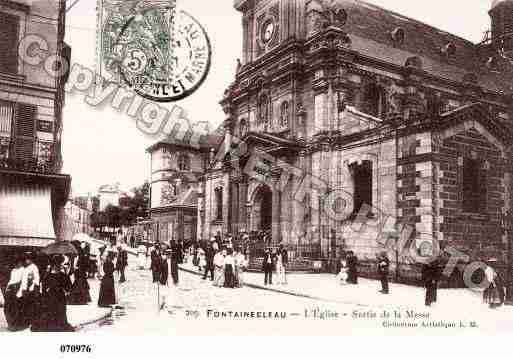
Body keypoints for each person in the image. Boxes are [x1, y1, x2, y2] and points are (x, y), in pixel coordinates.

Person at [32, 255, 73, 332]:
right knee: (52, 311)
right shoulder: (50, 275)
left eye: (59, 263)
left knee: (58, 311)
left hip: (57, 296)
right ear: (54, 264)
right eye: (57, 264)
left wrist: (64, 290)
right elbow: (44, 285)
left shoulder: (60, 275)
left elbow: (68, 287)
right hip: (53, 296)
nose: (59, 265)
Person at [4, 257, 25, 331]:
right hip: (10, 288)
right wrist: (7, 288)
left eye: (19, 262)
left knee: (16, 308)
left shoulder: (23, 270)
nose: (17, 264)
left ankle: (16, 325)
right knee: (8, 307)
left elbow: (23, 281)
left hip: (17, 288)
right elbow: (11, 280)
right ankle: (10, 324)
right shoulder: (13, 270)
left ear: (21, 263)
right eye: (16, 263)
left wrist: (19, 292)